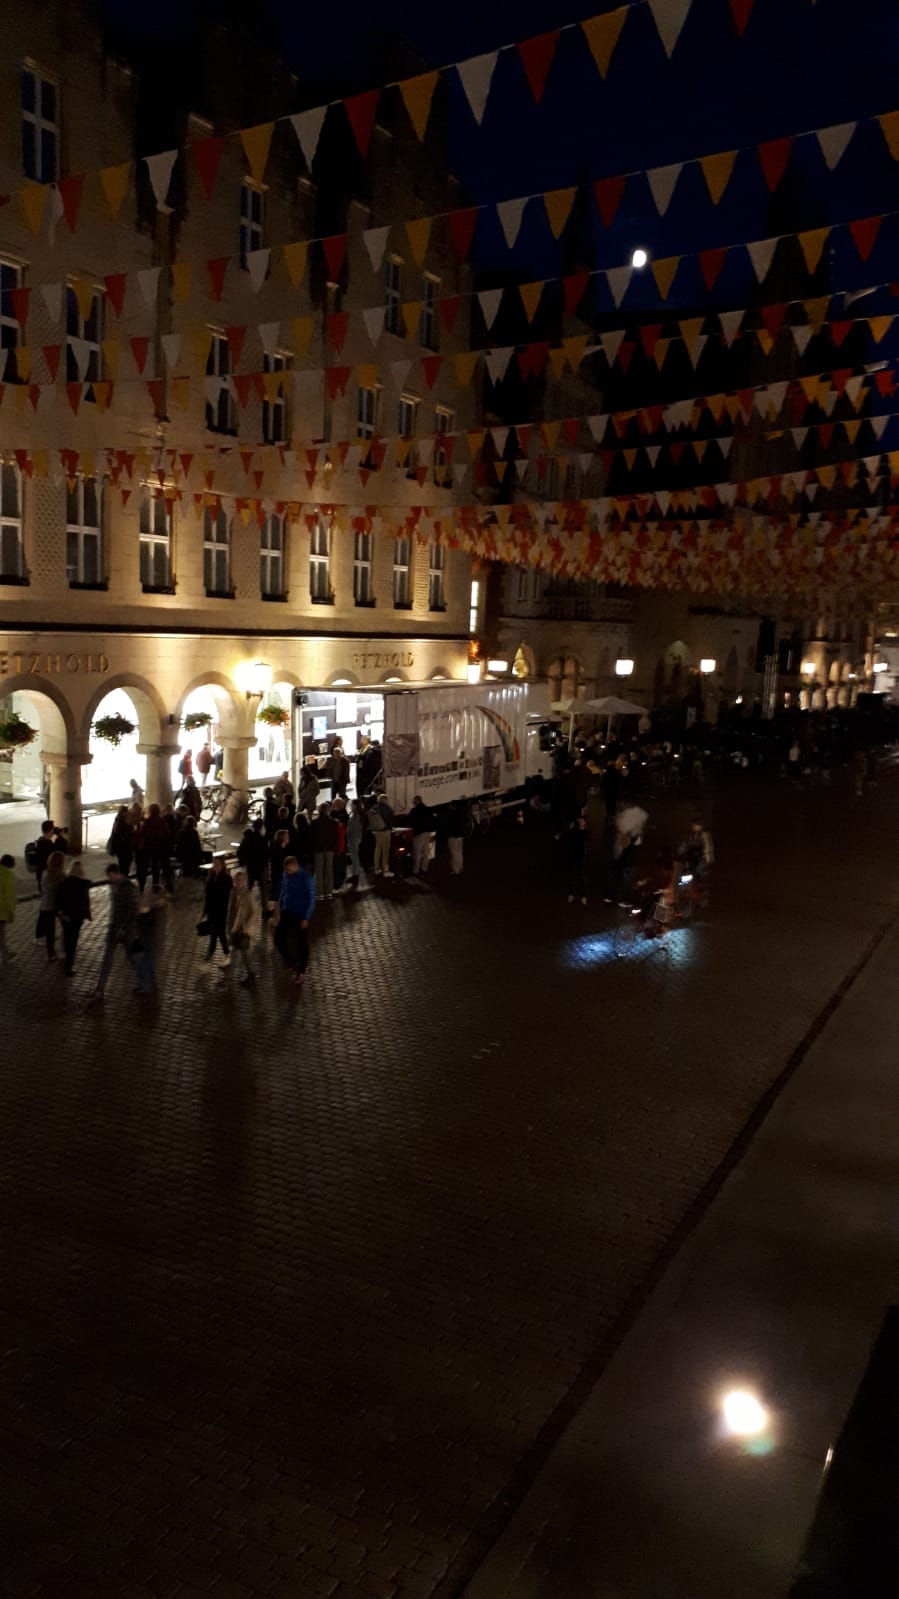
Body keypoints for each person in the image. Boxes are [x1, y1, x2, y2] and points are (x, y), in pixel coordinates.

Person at [90, 864, 140, 1001]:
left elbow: (133, 910)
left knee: (132, 957)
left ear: (116, 873)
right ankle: (100, 989)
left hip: (127, 930)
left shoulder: (129, 887)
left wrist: (123, 927)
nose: (109, 879)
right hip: (114, 928)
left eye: (110, 876)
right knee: (107, 958)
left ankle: (145, 981)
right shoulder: (114, 885)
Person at [275, 855, 315, 985]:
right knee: (278, 938)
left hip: (299, 914)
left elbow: (311, 898)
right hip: (287, 911)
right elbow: (283, 890)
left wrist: (306, 917)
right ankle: (292, 961)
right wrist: (280, 906)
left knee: (302, 942)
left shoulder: (305, 877)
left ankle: (301, 971)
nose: (288, 872)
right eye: (286, 870)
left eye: (289, 870)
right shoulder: (286, 875)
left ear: (295, 865)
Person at [227, 868, 262, 985]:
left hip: (244, 930)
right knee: (237, 952)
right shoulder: (232, 893)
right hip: (235, 928)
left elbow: (254, 912)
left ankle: (246, 975)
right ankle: (237, 976)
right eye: (237, 880)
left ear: (245, 881)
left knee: (242, 953)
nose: (239, 883)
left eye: (241, 880)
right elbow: (231, 911)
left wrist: (247, 925)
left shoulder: (248, 895)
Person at [57, 859, 92, 976]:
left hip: (66, 916)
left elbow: (59, 899)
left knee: (67, 937)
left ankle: (66, 957)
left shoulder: (64, 883)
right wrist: (87, 914)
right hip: (77, 917)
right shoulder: (84, 884)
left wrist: (61, 913)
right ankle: (69, 965)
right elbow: (85, 902)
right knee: (73, 939)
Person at [133, 885, 166, 995]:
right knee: (149, 963)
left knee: (144, 963)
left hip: (147, 939)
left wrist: (140, 913)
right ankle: (151, 985)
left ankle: (146, 987)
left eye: (150, 893)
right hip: (151, 939)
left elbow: (145, 921)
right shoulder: (159, 906)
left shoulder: (153, 908)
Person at [202, 855, 232, 963]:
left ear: (222, 865)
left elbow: (225, 896)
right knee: (215, 933)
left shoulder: (226, 879)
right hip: (212, 910)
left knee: (219, 932)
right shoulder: (211, 877)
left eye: (217, 864)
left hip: (221, 911)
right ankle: (214, 952)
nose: (215, 866)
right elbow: (208, 895)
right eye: (214, 864)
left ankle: (223, 953)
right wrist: (205, 910)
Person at [37, 849, 66, 961]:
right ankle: (62, 950)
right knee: (65, 927)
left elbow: (43, 889)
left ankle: (51, 954)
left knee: (50, 931)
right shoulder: (61, 876)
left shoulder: (45, 873)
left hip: (47, 904)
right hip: (57, 905)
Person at [310, 802, 339, 900]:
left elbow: (312, 837)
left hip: (318, 849)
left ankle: (320, 892)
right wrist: (335, 848)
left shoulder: (314, 823)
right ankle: (328, 891)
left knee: (319, 871)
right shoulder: (333, 823)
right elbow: (335, 837)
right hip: (330, 848)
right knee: (329, 870)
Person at [141, 801, 170, 888]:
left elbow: (142, 834)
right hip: (162, 845)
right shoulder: (162, 821)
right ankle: (167, 881)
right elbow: (167, 833)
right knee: (164, 863)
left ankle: (155, 882)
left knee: (154, 864)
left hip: (151, 846)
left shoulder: (147, 822)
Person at [237, 818, 268, 900]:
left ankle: (246, 903)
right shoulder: (262, 838)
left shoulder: (248, 838)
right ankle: (264, 906)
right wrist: (265, 865)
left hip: (250, 866)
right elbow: (265, 854)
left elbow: (241, 851)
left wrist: (243, 863)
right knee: (263, 889)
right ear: (261, 827)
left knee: (249, 887)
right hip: (260, 867)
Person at [562, 816, 589, 906]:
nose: (579, 821)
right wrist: (570, 829)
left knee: (581, 876)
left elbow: (585, 841)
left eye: (581, 820)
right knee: (571, 875)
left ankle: (583, 895)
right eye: (579, 820)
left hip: (581, 858)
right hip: (572, 856)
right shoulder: (574, 831)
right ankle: (571, 894)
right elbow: (568, 839)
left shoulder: (585, 832)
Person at [343, 799, 367, 892]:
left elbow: (352, 828)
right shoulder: (359, 815)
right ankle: (355, 874)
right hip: (356, 837)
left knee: (354, 857)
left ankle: (355, 875)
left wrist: (347, 833)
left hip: (353, 838)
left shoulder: (356, 816)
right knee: (355, 857)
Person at [368, 792, 394, 877]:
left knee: (377, 849)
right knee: (385, 851)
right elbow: (391, 819)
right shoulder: (387, 808)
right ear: (385, 800)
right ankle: (385, 870)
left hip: (377, 831)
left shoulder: (374, 807)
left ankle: (377, 868)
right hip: (385, 831)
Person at [33, 819, 64, 891]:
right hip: (49, 874)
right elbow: (60, 851)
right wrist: (60, 836)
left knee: (43, 893)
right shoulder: (47, 845)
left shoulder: (39, 842)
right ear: (50, 830)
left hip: (41, 873)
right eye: (53, 829)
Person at [408, 795, 435, 877]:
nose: (413, 802)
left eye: (414, 800)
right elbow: (432, 819)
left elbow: (409, 820)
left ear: (417, 801)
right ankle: (424, 868)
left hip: (418, 833)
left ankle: (415, 870)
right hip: (427, 832)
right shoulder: (427, 809)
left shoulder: (415, 810)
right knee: (425, 851)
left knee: (417, 852)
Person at [107, 805, 134, 878]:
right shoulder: (122, 822)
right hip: (124, 848)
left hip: (121, 848)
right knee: (124, 866)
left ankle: (123, 878)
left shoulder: (118, 821)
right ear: (124, 813)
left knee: (123, 865)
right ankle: (124, 879)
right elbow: (126, 834)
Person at [0, 853, 16, 972]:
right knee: (1, 935)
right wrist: (11, 914)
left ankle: (6, 954)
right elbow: (9, 897)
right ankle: (6, 957)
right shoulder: (8, 875)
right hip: (1, 912)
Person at [446, 800, 465, 876]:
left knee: (454, 853)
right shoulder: (461, 814)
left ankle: (455, 869)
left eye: (450, 805)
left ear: (453, 806)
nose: (449, 807)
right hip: (460, 836)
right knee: (459, 852)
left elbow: (449, 825)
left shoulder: (452, 815)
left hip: (453, 836)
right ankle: (460, 867)